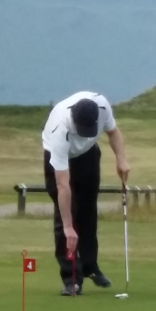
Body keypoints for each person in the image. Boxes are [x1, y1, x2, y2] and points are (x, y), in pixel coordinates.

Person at [41, 91, 130, 296]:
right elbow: (63, 185)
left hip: (88, 154)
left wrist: (121, 159)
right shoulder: (59, 130)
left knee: (88, 210)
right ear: (73, 120)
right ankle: (72, 278)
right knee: (67, 216)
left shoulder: (102, 105)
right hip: (59, 158)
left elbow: (113, 133)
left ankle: (90, 266)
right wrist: (68, 227)